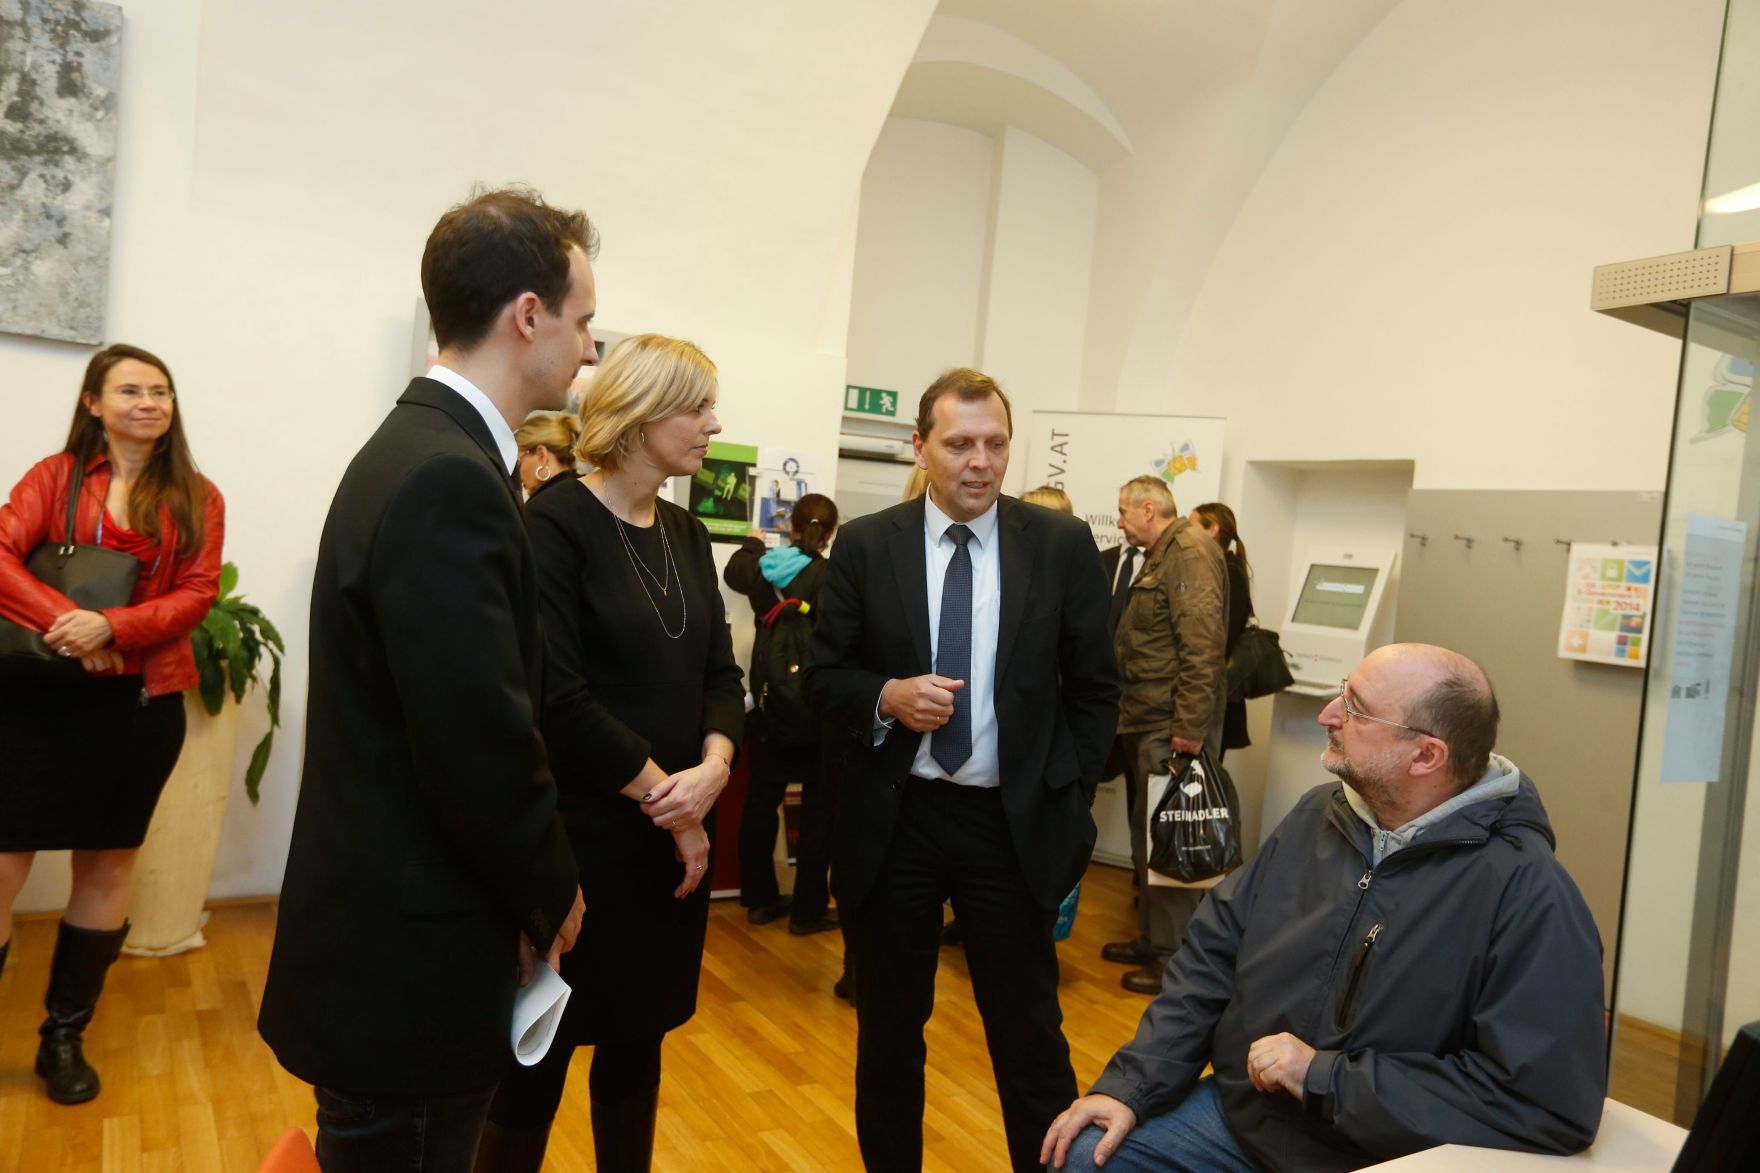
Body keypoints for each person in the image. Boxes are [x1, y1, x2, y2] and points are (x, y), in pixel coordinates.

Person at [258, 187, 591, 1172]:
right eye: (582, 323)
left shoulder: (419, 451)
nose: (586, 350)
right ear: (526, 315)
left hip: (386, 947)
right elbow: (475, 741)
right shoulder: (447, 476)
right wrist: (553, 891)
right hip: (408, 963)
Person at [1042, 644, 1607, 1173]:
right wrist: (1133, 1086)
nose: (1328, 714)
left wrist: (1324, 1077)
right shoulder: (1320, 815)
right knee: (1087, 1154)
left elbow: (1545, 1104)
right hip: (1248, 1122)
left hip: (1374, 1154)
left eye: (1357, 709)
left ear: (1426, 755)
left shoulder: (1528, 894)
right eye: (1344, 691)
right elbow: (1212, 956)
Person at [804, 368, 1119, 1172]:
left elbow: (1095, 689)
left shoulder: (1059, 545)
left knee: (1030, 1043)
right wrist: (886, 696)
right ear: (920, 447)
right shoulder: (870, 544)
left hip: (1008, 828)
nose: (980, 462)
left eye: (995, 444)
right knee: (888, 1035)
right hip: (897, 819)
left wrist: (1070, 799)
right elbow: (823, 675)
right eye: (959, 444)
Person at [477, 334, 745, 1173]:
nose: (713, 423)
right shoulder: (554, 523)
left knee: (638, 1044)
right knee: (538, 1059)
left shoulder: (688, 530)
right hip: (581, 840)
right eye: (697, 406)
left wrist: (715, 769)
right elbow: (558, 698)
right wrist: (676, 802)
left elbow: (720, 676)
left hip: (669, 846)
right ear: (641, 413)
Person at [0, 344, 225, 1105]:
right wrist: (70, 621)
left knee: (106, 866)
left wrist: (114, 627)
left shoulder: (198, 495)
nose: (148, 402)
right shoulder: (52, 477)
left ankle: (63, 1036)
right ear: (93, 402)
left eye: (160, 390)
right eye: (130, 389)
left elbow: (197, 594)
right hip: (33, 700)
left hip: (136, 707)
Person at [1101, 475, 1228, 995]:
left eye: (1123, 512)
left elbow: (1202, 647)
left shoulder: (1190, 552)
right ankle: (1154, 940)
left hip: (1171, 725)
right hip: (1146, 716)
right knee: (1150, 836)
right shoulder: (1163, 551)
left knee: (1174, 839)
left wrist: (1190, 729)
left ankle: (1175, 959)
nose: (1119, 521)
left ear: (1149, 508)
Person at [723, 493, 841, 934]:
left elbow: (733, 572)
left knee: (760, 802)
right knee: (818, 810)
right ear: (830, 532)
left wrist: (753, 544)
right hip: (817, 709)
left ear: (791, 526)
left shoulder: (763, 569)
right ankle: (808, 910)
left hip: (770, 705)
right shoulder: (830, 575)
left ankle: (759, 899)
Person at [1192, 502, 1254, 755]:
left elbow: (1221, 639)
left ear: (1213, 530)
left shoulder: (1229, 574)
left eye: (1192, 525)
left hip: (1214, 699)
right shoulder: (1217, 569)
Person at [514, 409, 582, 499]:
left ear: (541, 455)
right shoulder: (593, 489)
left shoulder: (539, 507)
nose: (516, 476)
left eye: (519, 464)